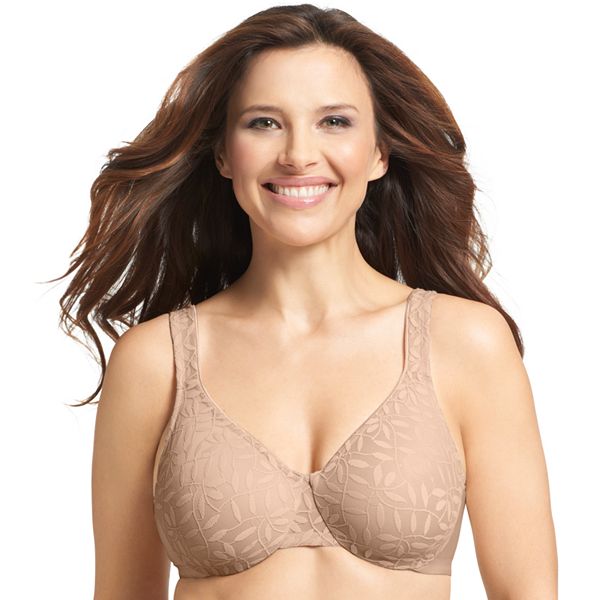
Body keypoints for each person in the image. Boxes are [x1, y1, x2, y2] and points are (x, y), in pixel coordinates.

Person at [51, 4, 557, 599]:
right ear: (223, 154)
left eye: (334, 121)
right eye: (264, 122)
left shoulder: (465, 343)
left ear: (379, 153)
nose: (297, 155)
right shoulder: (155, 361)